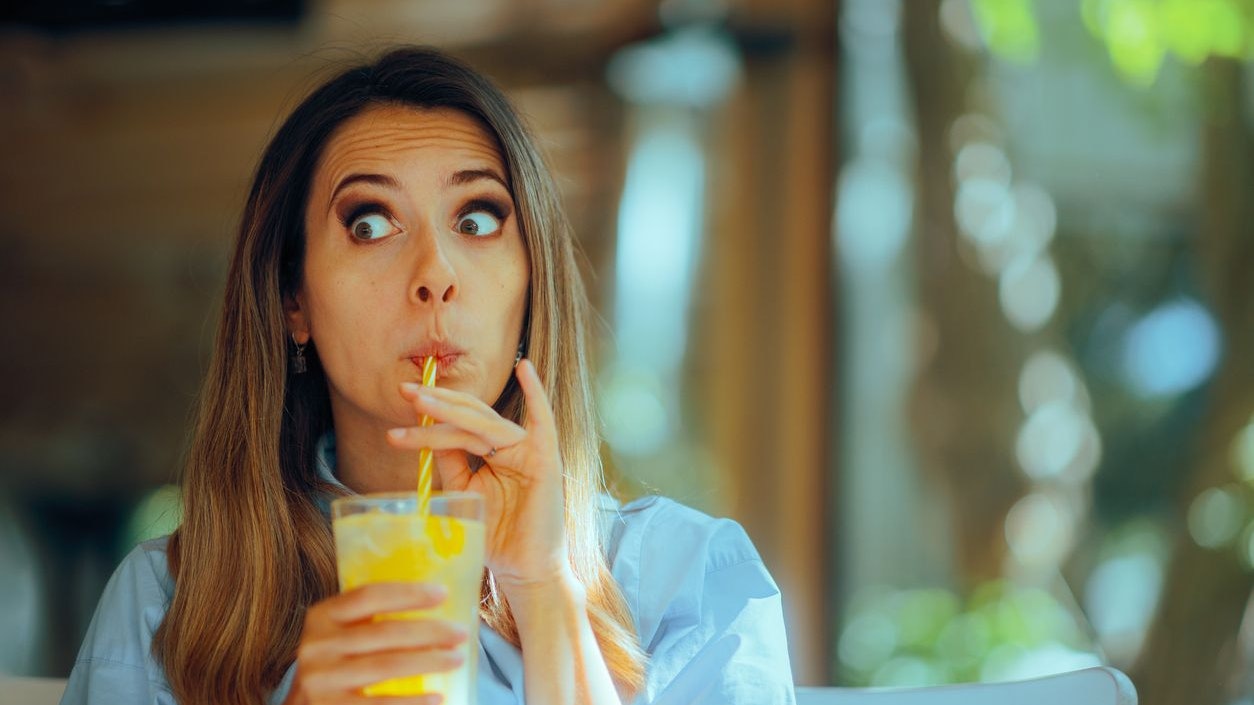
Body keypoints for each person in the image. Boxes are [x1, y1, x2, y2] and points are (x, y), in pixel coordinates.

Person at [61, 46, 795, 705]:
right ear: (293, 301)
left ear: (531, 281)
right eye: (370, 223)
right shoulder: (166, 600)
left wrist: (543, 590)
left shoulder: (688, 579)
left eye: (477, 220)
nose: (435, 275)